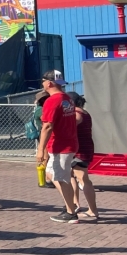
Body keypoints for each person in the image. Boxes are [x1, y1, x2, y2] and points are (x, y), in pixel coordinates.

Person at [37, 70, 80, 223]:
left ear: (49, 83)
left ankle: (71, 211)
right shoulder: (67, 98)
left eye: (43, 81)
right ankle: (69, 205)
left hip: (61, 146)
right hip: (68, 143)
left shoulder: (52, 101)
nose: (42, 84)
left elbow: (47, 126)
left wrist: (40, 149)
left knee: (61, 178)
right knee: (53, 174)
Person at [70, 92, 99, 222]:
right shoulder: (84, 112)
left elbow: (70, 127)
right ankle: (75, 204)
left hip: (80, 150)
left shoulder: (77, 114)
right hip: (82, 148)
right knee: (71, 176)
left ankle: (93, 210)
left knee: (83, 179)